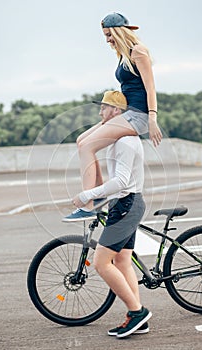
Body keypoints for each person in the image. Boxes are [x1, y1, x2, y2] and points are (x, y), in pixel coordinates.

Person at [63, 90, 152, 338]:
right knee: (122, 261)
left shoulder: (124, 141)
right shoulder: (119, 136)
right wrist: (105, 122)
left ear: (116, 111)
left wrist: (85, 196)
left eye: (103, 108)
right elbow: (83, 140)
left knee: (103, 263)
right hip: (125, 204)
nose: (99, 112)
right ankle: (138, 318)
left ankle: (137, 312)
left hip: (126, 204)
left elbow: (122, 182)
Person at [65, 12, 162, 220]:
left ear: (119, 32)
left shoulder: (138, 52)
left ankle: (88, 204)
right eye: (105, 36)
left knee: (88, 146)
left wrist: (152, 118)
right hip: (128, 114)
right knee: (81, 140)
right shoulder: (124, 54)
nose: (108, 40)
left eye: (109, 35)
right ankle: (99, 197)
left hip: (139, 116)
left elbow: (150, 88)